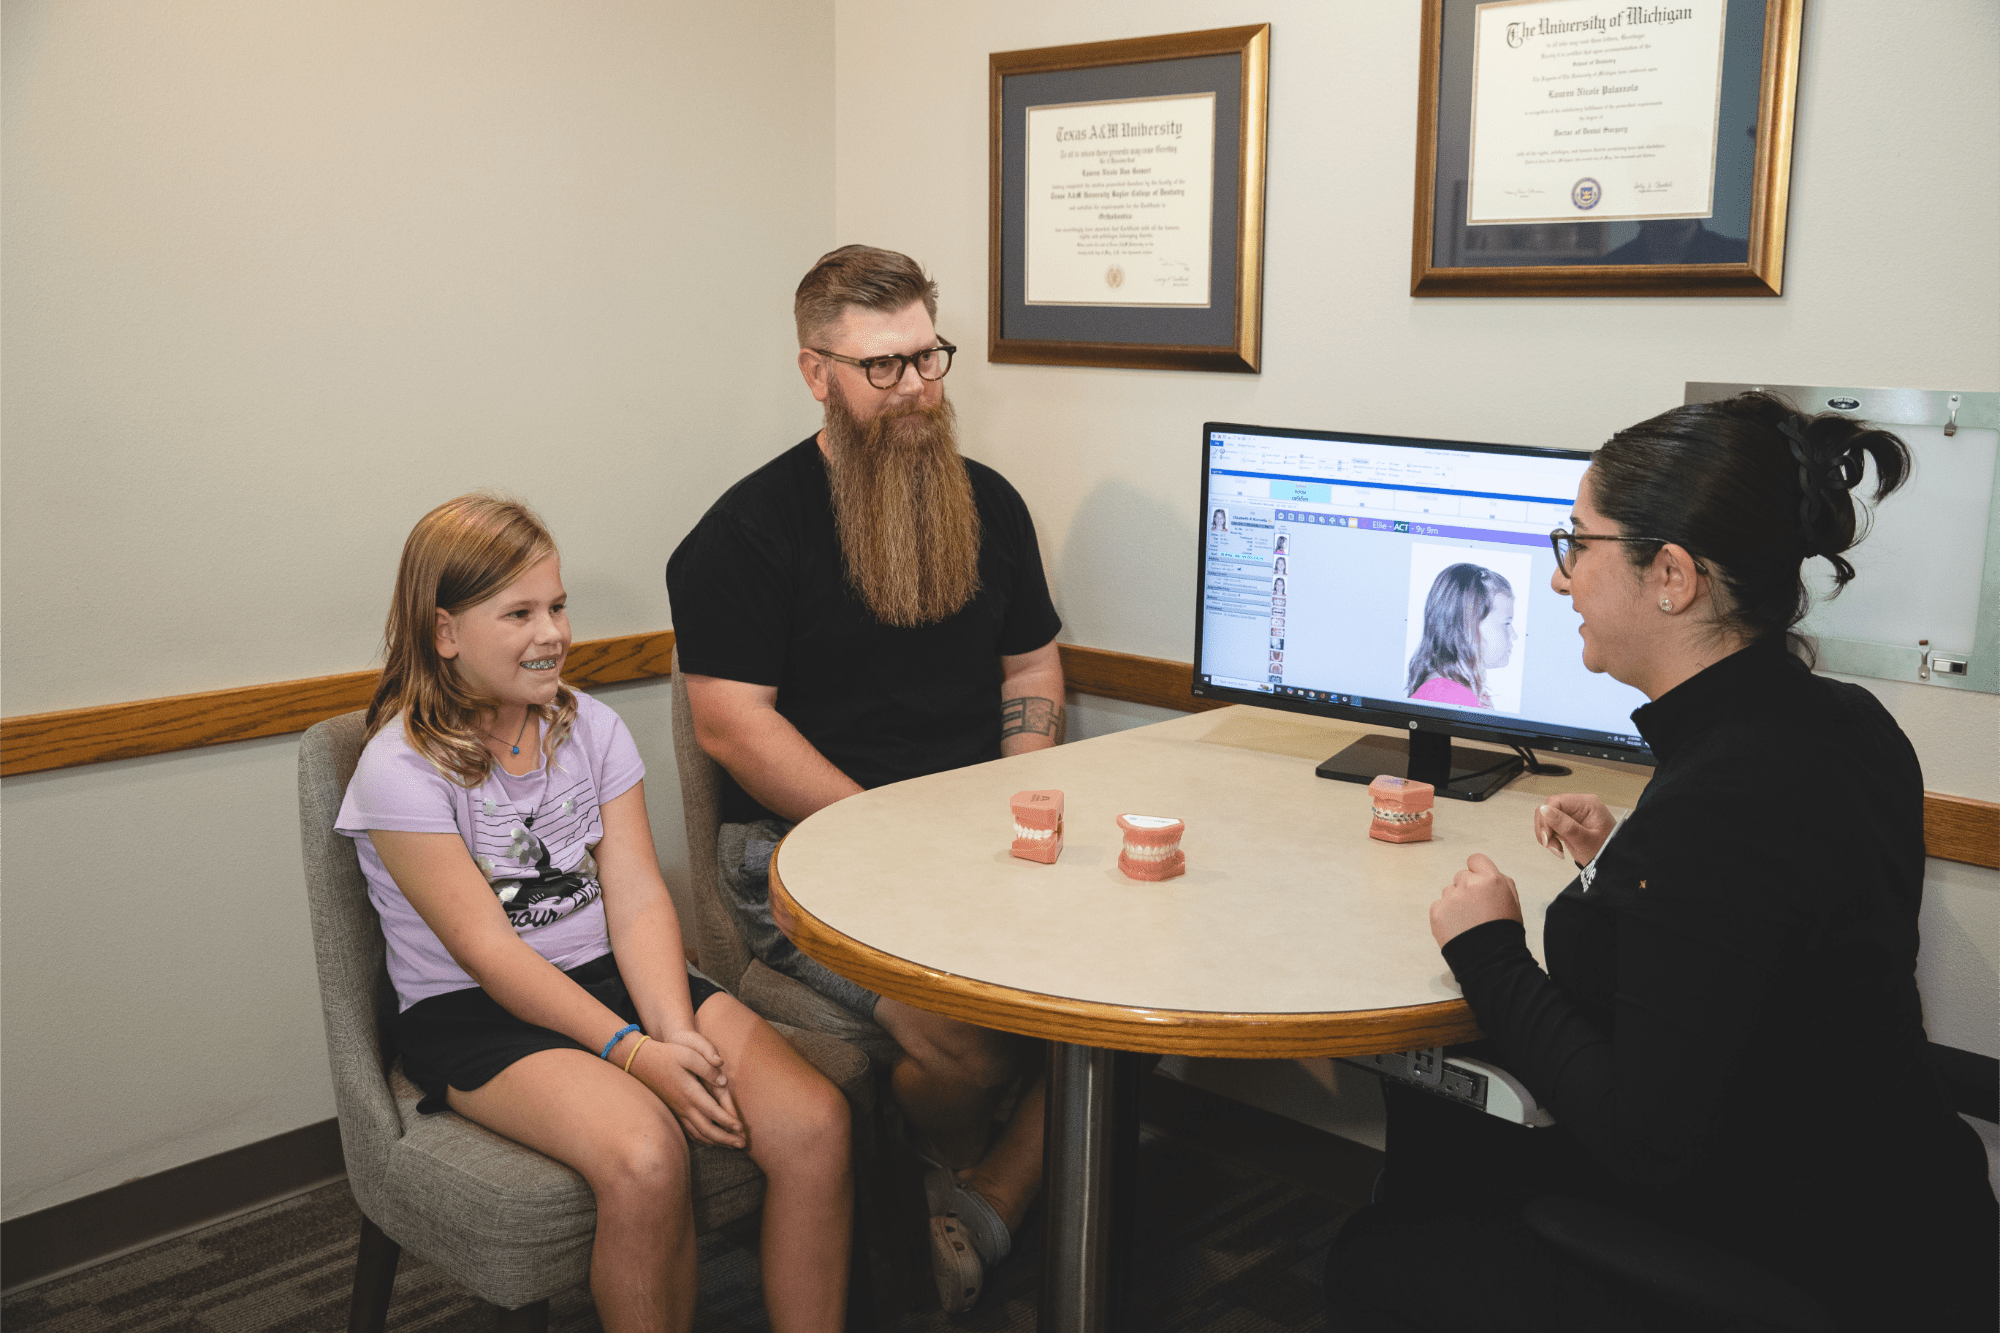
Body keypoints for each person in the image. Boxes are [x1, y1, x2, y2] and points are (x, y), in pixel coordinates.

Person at [1324, 394, 1999, 1331]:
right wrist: (1630, 858)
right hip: (1910, 1220)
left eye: (1579, 544)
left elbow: (1644, 1138)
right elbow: (1764, 935)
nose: (1562, 581)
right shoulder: (1844, 725)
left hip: (1784, 1258)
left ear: (1672, 574)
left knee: (1378, 1252)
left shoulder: (1720, 800)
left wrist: (1490, 947)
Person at [339, 495, 853, 1333]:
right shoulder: (400, 766)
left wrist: (672, 1027)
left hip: (617, 975)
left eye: (557, 605)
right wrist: (635, 1054)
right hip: (476, 1011)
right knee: (646, 1155)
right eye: (519, 613)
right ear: (444, 632)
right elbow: (488, 953)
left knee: (815, 1123)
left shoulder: (594, 726)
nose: (553, 633)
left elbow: (640, 894)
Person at [666, 245, 1065, 1312]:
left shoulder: (988, 503)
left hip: (971, 838)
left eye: (927, 358)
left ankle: (971, 1209)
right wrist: (888, 831)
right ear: (816, 375)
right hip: (800, 855)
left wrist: (1015, 793)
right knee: (965, 1042)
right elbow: (729, 724)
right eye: (881, 368)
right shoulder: (743, 534)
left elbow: (1027, 662)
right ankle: (959, 1192)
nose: (916, 391)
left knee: (1126, 1008)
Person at [1404, 563, 1514, 709]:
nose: (1514, 635)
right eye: (1506, 623)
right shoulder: (1447, 697)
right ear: (1468, 627)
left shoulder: (1450, 693)